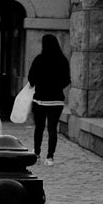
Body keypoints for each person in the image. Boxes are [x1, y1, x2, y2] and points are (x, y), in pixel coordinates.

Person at [27, 33, 71, 166]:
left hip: (40, 99)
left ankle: (37, 153)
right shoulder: (63, 60)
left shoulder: (39, 59)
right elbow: (66, 80)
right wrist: (57, 87)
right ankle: (50, 157)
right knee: (52, 129)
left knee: (39, 128)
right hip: (57, 100)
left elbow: (31, 79)